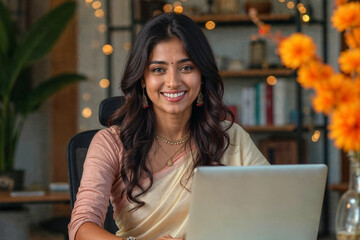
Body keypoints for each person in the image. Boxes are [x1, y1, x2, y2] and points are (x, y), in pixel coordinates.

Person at [68, 12, 269, 240]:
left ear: (202, 75)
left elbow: (273, 207)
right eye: (158, 69)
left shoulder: (229, 137)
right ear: (142, 79)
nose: (173, 82)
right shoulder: (111, 142)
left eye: (186, 68)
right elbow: (82, 226)